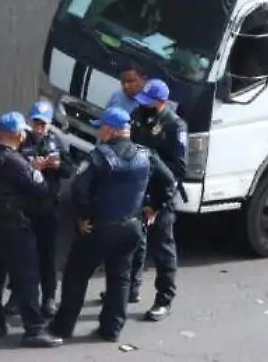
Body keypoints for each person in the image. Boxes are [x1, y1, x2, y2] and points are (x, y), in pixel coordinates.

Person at [50, 107, 178, 344]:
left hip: (99, 227)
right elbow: (169, 182)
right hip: (131, 227)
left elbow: (78, 189)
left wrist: (84, 216)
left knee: (76, 276)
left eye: (102, 128)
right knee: (120, 278)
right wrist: (155, 206)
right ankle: (112, 329)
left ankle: (62, 327)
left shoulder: (100, 156)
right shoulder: (146, 154)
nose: (100, 132)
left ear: (110, 130)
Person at [0, 112, 63, 348]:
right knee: (27, 277)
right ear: (18, 134)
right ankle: (34, 329)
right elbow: (40, 189)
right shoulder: (16, 162)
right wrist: (37, 169)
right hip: (15, 227)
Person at [127, 77, 190, 321]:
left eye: (150, 102)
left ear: (162, 102)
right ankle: (131, 287)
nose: (145, 105)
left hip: (159, 193)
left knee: (162, 248)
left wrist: (156, 202)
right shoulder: (139, 113)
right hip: (137, 189)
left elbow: (178, 169)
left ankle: (164, 299)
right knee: (132, 242)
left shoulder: (175, 126)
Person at [16, 100, 71, 321]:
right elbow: (11, 168)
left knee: (47, 256)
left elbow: (70, 169)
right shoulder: (21, 140)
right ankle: (18, 296)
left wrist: (56, 166)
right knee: (21, 256)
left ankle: (49, 297)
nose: (39, 128)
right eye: (36, 123)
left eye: (43, 124)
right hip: (25, 207)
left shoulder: (56, 141)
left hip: (48, 206)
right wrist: (30, 166)